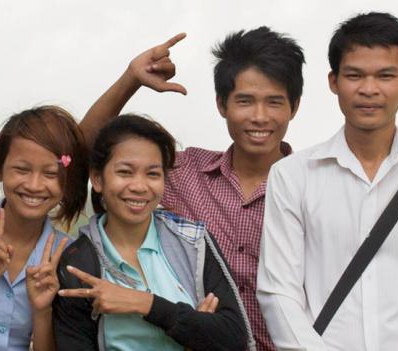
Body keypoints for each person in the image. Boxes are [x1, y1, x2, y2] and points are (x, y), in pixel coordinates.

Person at [257, 12, 398, 350]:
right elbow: (279, 292)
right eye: (354, 75)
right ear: (333, 81)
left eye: (385, 75)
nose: (369, 89)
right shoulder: (292, 175)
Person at [78, 28, 304, 351]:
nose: (259, 116)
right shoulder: (183, 174)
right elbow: (87, 151)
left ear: (294, 107)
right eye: (245, 101)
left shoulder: (311, 190)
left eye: (274, 103)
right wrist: (131, 79)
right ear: (221, 104)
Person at [53, 114, 251, 350]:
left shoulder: (192, 241)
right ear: (97, 179)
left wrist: (144, 303)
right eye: (125, 172)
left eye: (153, 174)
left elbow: (235, 338)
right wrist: (196, 331)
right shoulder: (78, 264)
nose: (139, 186)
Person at [0, 106, 89, 350]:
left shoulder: (70, 256)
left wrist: (42, 311)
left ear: (66, 182)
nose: (34, 185)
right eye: (22, 169)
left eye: (50, 173)